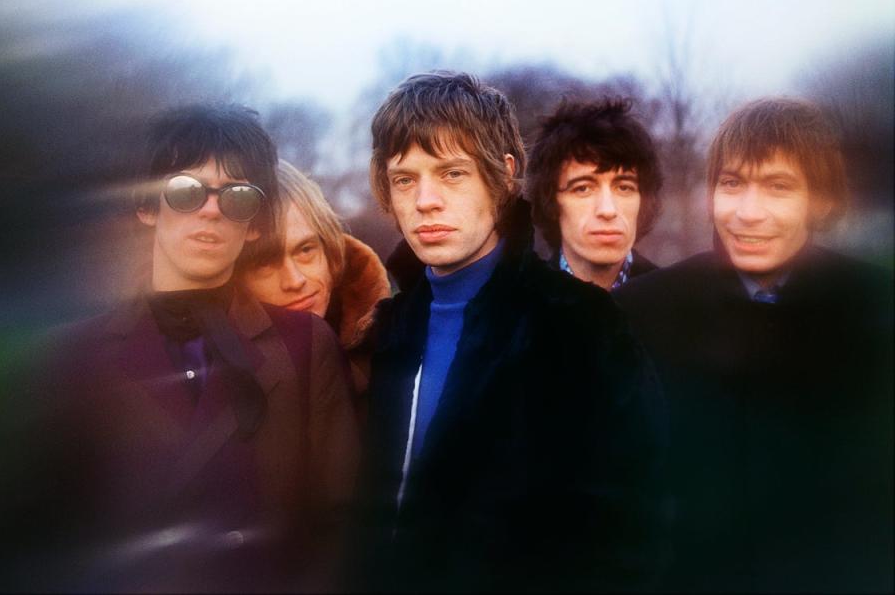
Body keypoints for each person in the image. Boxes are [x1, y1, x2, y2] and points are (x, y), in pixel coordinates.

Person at [0, 104, 360, 592]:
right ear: (148, 206)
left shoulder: (305, 347)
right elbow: (44, 539)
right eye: (187, 191)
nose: (211, 208)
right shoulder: (76, 360)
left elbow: (342, 525)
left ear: (253, 224)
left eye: (237, 197)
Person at [349, 71, 669, 592]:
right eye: (405, 178)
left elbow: (635, 532)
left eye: (452, 173)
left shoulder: (581, 326)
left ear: (504, 175)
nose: (425, 200)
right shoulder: (388, 329)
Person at [616, 97, 894, 592]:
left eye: (778, 187)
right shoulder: (643, 313)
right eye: (732, 183)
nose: (748, 213)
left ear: (821, 199)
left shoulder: (875, 312)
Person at [240, 159, 390, 411]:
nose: (295, 280)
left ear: (330, 249)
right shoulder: (220, 378)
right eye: (264, 263)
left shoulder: (398, 348)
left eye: (305, 249)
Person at [525, 97, 662, 290]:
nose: (607, 210)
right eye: (583, 188)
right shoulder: (513, 312)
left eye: (624, 188)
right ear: (551, 202)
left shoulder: (678, 308)